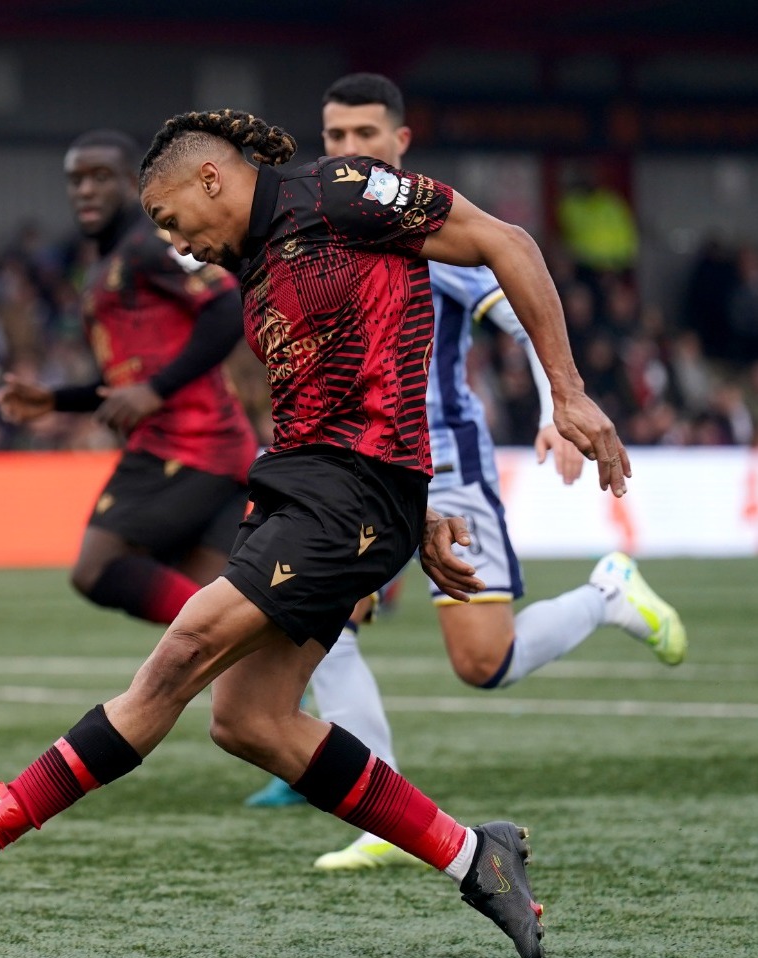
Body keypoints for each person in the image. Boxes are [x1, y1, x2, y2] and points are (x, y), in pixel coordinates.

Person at [0, 106, 638, 958]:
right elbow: (345, 383)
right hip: (315, 491)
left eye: (170, 219)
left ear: (212, 177)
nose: (175, 242)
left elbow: (510, 244)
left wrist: (565, 392)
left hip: (348, 494)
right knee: (247, 722)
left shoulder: (340, 191)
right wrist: (413, 507)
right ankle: (476, 858)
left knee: (180, 654)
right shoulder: (255, 262)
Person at [277, 73, 686, 869]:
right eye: (336, 137)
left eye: (367, 135)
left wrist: (554, 408)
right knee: (320, 624)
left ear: (401, 142)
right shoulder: (320, 228)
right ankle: (381, 808)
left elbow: (526, 316)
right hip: (357, 470)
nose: (351, 150)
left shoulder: (429, 227)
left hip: (445, 471)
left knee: (482, 663)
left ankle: (607, 595)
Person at [0, 130, 255, 624]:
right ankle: (254, 662)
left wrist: (156, 391)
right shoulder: (108, 266)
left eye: (101, 177)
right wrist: (55, 401)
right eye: (76, 180)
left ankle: (247, 642)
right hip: (208, 451)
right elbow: (128, 383)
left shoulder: (150, 244)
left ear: (134, 186)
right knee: (204, 601)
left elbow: (226, 302)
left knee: (98, 567)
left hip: (189, 444)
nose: (86, 190)